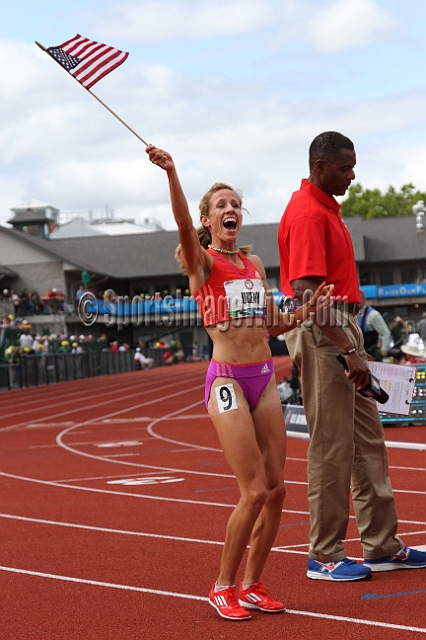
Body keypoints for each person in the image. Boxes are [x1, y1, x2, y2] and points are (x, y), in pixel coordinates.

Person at [146, 143, 333, 621]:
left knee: (276, 490)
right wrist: (172, 173)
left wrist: (307, 311)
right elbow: (183, 225)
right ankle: (222, 585)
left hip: (264, 379)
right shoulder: (202, 264)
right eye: (221, 205)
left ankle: (251, 583)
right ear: (208, 220)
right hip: (227, 381)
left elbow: (273, 325)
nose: (230, 210)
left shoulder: (253, 266)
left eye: (235, 204)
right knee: (251, 491)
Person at [278, 130, 426, 582]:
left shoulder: (327, 209)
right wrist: (347, 347)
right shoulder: (307, 213)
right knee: (331, 447)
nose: (352, 175)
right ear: (319, 167)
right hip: (327, 331)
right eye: (345, 167)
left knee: (369, 444)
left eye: (354, 165)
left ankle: (381, 545)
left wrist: (353, 342)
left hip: (344, 327)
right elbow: (306, 290)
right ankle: (323, 555)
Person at [357, 290, 391, 361]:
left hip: (372, 355)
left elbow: (385, 333)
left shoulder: (373, 315)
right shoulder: (355, 314)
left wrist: (384, 349)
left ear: (364, 299)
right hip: (360, 355)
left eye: (358, 298)